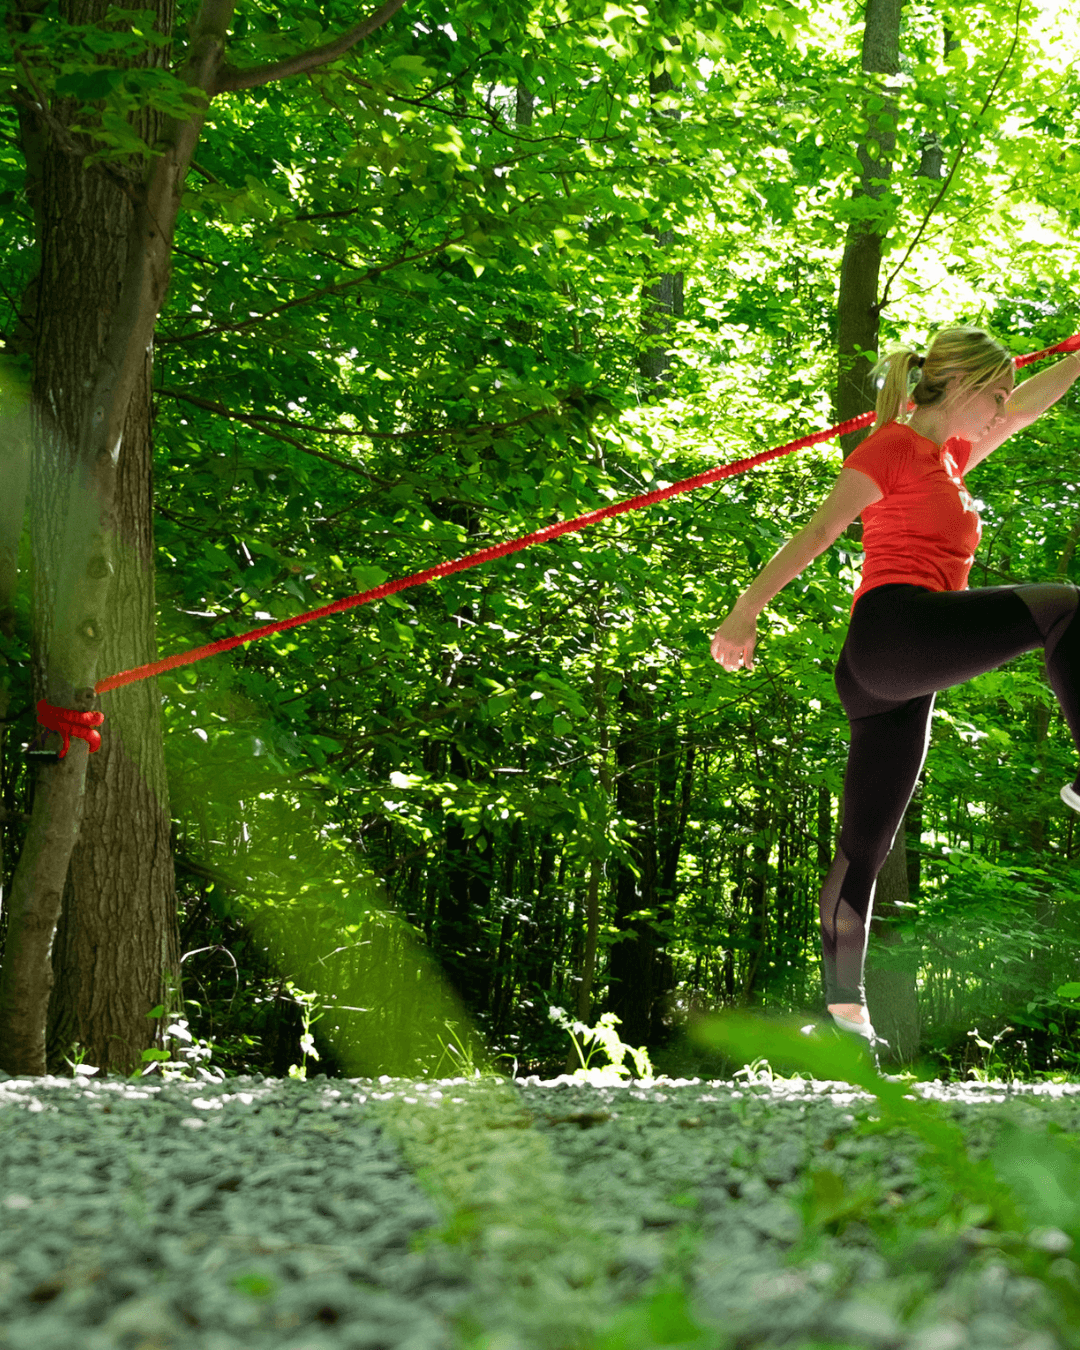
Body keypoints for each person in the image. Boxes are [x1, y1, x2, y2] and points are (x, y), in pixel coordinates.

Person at [710, 326, 1080, 1050]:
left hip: (895, 671)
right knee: (1066, 608)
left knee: (864, 847)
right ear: (963, 386)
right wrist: (744, 613)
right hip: (894, 632)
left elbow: (1028, 408)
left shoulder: (951, 459)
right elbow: (819, 532)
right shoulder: (892, 448)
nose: (1003, 408)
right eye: (996, 394)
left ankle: (845, 1017)